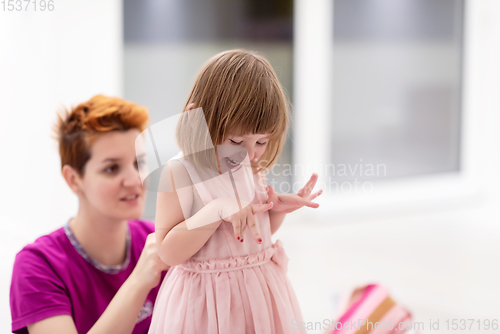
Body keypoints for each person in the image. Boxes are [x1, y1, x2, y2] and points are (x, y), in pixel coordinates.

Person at [149, 49, 323, 333]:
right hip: (205, 303)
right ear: (197, 119)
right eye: (236, 140)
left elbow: (256, 236)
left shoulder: (252, 168)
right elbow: (168, 253)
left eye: (261, 142)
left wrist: (277, 209)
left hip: (260, 293)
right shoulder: (180, 173)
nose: (250, 154)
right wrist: (217, 210)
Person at [10, 95, 170, 334]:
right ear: (73, 179)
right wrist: (139, 280)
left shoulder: (160, 239)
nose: (135, 179)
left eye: (139, 163)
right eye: (112, 168)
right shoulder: (38, 266)